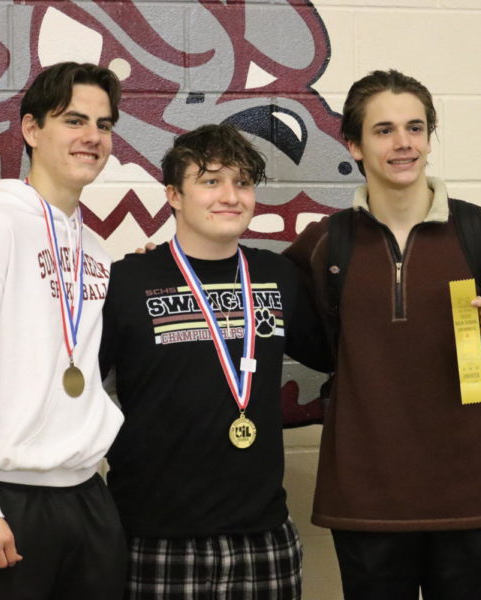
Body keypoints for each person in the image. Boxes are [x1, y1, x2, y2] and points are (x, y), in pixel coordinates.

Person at [283, 69, 481, 599]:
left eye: (415, 128)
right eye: (384, 130)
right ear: (353, 144)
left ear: (429, 136)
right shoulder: (326, 242)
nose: (403, 143)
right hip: (366, 497)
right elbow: (252, 290)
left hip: (467, 492)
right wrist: (169, 264)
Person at [0, 62, 127, 600]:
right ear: (32, 129)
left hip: (86, 495)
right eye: (75, 120)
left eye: (104, 125)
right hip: (5, 500)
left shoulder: (95, 251)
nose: (92, 137)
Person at [99, 124, 329, 599]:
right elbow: (71, 388)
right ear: (174, 196)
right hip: (156, 537)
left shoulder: (275, 276)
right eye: (210, 180)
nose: (230, 195)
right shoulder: (126, 282)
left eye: (242, 182)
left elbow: (341, 353)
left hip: (263, 536)